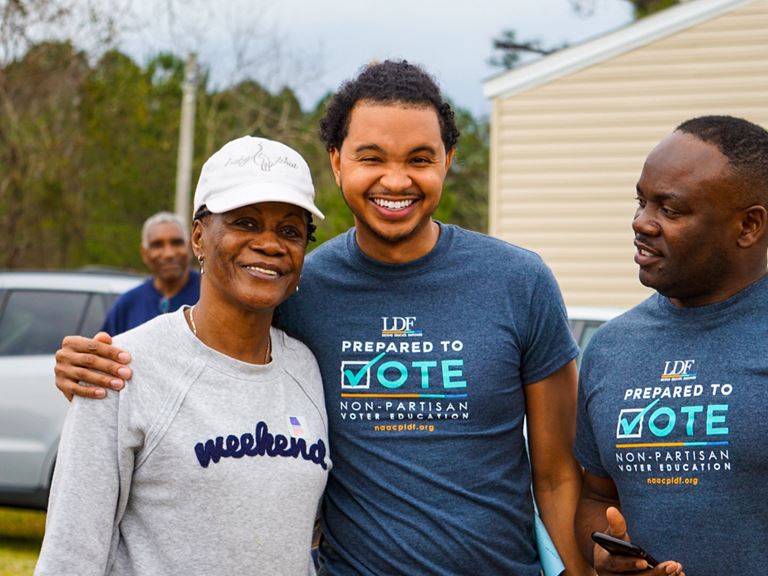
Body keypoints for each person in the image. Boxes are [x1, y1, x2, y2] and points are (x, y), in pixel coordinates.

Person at [54, 60, 590, 575]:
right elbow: (216, 360)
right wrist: (95, 373)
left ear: (448, 159)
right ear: (337, 161)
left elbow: (559, 473)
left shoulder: (520, 282)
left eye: (420, 159)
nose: (396, 180)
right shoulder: (301, 290)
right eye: (372, 157)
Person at [36, 136, 331, 575]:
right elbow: (70, 557)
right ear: (199, 235)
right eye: (245, 222)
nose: (270, 244)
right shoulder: (118, 369)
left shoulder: (307, 368)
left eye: (290, 230)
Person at [574, 115, 768, 576]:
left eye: (671, 209)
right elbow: (598, 496)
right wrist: (605, 555)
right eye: (641, 202)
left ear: (748, 226)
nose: (642, 223)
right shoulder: (610, 347)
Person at [101, 211, 200, 335]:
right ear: (144, 253)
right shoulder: (128, 304)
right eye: (157, 245)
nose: (168, 253)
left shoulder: (211, 294)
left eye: (176, 243)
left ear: (191, 245)